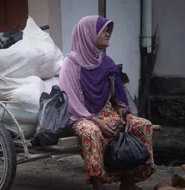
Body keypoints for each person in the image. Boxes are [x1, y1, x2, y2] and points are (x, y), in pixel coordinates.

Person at [59, 15, 155, 190]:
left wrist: (125, 115)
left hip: (107, 112)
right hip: (81, 116)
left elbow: (118, 97)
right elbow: (71, 101)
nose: (108, 33)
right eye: (102, 30)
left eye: (108, 30)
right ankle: (98, 184)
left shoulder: (107, 62)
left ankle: (129, 182)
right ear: (88, 34)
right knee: (91, 132)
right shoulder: (71, 64)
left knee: (143, 125)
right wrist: (96, 120)